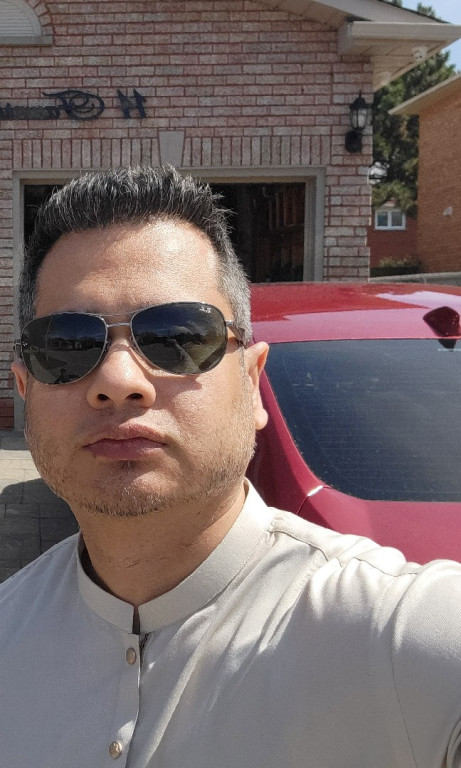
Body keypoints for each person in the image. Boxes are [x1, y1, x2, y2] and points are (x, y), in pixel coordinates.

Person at [1, 165, 461, 768]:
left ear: (251, 383)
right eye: (67, 345)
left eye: (176, 336)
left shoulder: (401, 637)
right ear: (25, 391)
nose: (118, 380)